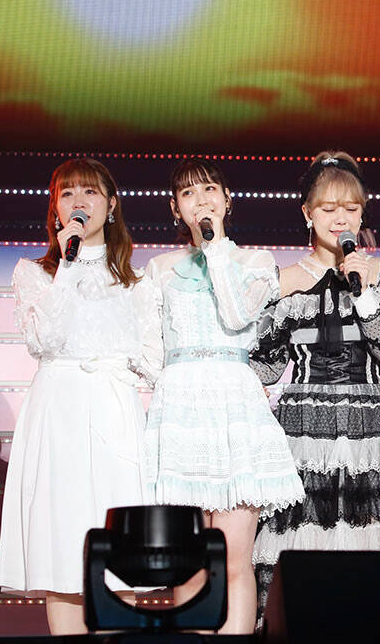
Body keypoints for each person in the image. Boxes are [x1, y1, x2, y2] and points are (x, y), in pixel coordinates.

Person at [0, 158, 160, 634]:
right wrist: (66, 268)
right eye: (67, 194)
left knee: (122, 556)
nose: (79, 202)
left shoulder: (137, 282)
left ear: (111, 205)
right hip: (59, 414)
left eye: (90, 192)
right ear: (55, 210)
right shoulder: (34, 273)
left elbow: (154, 361)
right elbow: (44, 339)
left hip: (115, 412)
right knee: (64, 553)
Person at [143, 158, 304, 634]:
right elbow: (148, 348)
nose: (201, 200)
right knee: (191, 560)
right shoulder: (159, 268)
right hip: (181, 411)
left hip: (235, 408)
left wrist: (215, 251)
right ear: (176, 208)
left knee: (234, 557)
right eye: (189, 193)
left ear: (227, 200)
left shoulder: (255, 264)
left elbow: (236, 316)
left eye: (210, 189)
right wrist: (171, 388)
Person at [249, 152, 380, 613]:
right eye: (329, 208)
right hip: (302, 430)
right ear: (307, 213)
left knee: (368, 552)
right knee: (304, 559)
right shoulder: (282, 281)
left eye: (351, 209)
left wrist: (365, 290)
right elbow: (266, 367)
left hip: (371, 429)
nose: (341, 218)